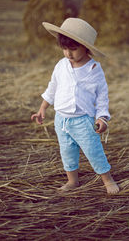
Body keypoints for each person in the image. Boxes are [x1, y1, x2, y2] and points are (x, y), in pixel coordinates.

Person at [31, 17, 119, 194]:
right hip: (61, 120)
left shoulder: (94, 69)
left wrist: (102, 117)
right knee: (67, 152)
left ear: (85, 46)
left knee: (94, 151)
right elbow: (53, 87)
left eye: (73, 49)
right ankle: (72, 181)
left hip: (83, 121)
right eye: (64, 49)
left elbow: (102, 96)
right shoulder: (61, 65)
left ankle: (107, 180)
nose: (68, 54)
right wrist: (42, 108)